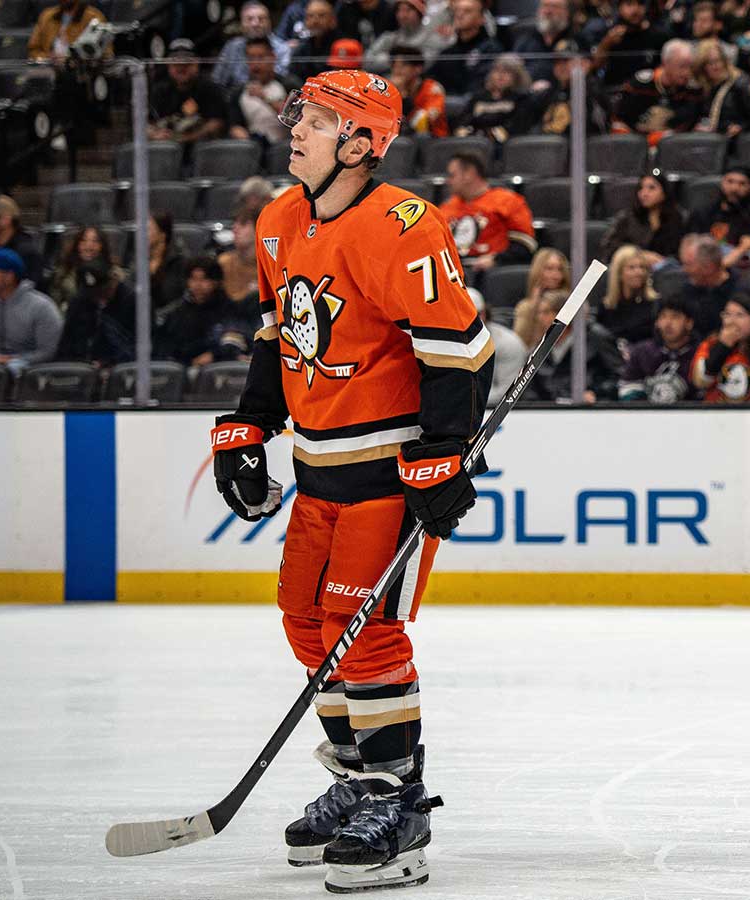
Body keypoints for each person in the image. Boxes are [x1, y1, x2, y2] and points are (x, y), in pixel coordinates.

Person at [213, 69, 489, 892]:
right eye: (301, 113)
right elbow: (278, 334)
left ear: (364, 144)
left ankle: (396, 802)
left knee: (361, 631)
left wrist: (446, 455)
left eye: (321, 120)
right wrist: (247, 425)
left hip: (385, 469)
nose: (296, 127)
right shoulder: (279, 219)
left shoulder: (403, 225)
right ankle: (359, 775)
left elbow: (456, 347)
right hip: (316, 467)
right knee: (305, 619)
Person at [0, 248, 62, 373]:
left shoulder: (42, 307)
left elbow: (48, 352)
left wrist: (14, 360)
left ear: (9, 276)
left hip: (30, 375)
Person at [438, 152, 538, 272]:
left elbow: (526, 245)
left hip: (493, 273)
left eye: (452, 175)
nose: (448, 181)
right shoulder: (446, 208)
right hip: (452, 273)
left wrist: (497, 260)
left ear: (469, 174)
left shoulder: (507, 201)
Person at [154, 256, 252, 365]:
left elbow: (235, 339)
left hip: (217, 367)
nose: (197, 285)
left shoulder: (230, 309)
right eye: (193, 279)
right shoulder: (175, 312)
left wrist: (214, 355)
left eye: (204, 279)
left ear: (216, 282)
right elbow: (165, 345)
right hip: (180, 369)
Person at [527, 294, 625, 401]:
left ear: (563, 314)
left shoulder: (597, 338)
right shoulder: (539, 348)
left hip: (592, 409)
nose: (540, 318)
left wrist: (596, 393)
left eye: (546, 312)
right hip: (548, 410)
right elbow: (531, 386)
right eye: (539, 313)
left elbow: (619, 375)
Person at [612, 38, 704, 143]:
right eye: (682, 66)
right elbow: (617, 120)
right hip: (634, 146)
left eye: (690, 67)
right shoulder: (639, 85)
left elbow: (691, 126)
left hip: (672, 147)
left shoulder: (693, 91)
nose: (687, 73)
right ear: (665, 63)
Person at [619, 296, 703, 402]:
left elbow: (705, 393)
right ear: (657, 322)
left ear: (689, 323)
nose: (668, 323)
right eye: (663, 317)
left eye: (675, 317)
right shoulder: (642, 351)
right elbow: (628, 387)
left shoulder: (701, 353)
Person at [57, 255, 136, 366]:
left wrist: (108, 363)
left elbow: (139, 348)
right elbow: (65, 345)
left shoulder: (133, 302)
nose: (98, 298)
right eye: (93, 294)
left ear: (114, 281)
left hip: (122, 370)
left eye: (103, 291)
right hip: (81, 370)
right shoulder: (80, 302)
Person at [149, 39, 230, 147]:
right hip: (166, 151)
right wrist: (154, 134)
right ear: (168, 64)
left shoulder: (210, 88)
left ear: (197, 63)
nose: (181, 67)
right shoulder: (159, 90)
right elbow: (146, 123)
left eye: (187, 62)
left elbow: (217, 124)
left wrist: (186, 138)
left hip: (202, 151)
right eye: (176, 62)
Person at [526, 38, 609, 138]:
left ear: (585, 64)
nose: (560, 66)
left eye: (566, 61)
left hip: (581, 150)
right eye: (556, 62)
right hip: (547, 148)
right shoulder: (550, 92)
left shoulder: (592, 93)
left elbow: (595, 133)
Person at [599, 172, 687, 263]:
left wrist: (663, 262)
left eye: (651, 188)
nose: (644, 193)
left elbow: (685, 252)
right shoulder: (627, 218)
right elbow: (609, 247)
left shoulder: (679, 218)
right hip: (633, 268)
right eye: (641, 188)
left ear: (664, 192)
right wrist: (640, 254)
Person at [229, 37, 298, 145]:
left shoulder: (289, 85)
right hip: (253, 146)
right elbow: (235, 126)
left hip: (286, 146)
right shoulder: (238, 93)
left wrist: (265, 98)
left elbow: (296, 118)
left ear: (273, 57)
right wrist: (246, 139)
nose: (256, 63)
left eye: (261, 57)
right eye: (251, 58)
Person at [685, 164, 750, 265]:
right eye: (730, 181)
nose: (734, 188)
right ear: (721, 183)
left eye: (742, 184)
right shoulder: (702, 213)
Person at [455, 54, 535, 147]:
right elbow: (462, 122)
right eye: (497, 70)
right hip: (472, 143)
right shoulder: (478, 97)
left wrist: (484, 135)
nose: (500, 76)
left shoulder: (521, 99)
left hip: (503, 147)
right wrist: (468, 135)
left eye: (507, 72)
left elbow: (515, 128)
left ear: (517, 77)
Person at [428, 0, 503, 95]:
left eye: (467, 11)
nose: (459, 15)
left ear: (482, 19)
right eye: (457, 11)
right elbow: (430, 80)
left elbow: (483, 86)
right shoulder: (448, 52)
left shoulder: (491, 50)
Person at [214, 2, 292, 91]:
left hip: (272, 95)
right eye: (249, 19)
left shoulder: (283, 48)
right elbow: (218, 80)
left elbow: (281, 78)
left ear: (269, 22)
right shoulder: (231, 47)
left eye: (261, 19)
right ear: (242, 23)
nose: (255, 24)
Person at [676, 234, 742, 337]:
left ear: (709, 267)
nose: (684, 270)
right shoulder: (687, 289)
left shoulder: (739, 291)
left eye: (688, 265)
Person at [469, 287, 526, 406]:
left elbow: (508, 392)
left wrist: (463, 403)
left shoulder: (509, 343)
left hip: (494, 411)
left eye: (474, 315)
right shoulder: (438, 342)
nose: (469, 321)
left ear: (484, 313)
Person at [593, 0, 670, 88]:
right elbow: (595, 66)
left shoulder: (659, 34)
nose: (635, 9)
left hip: (647, 91)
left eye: (640, 4)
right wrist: (606, 43)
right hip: (616, 91)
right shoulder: (609, 34)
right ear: (619, 8)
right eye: (629, 4)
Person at [47, 224, 120, 314]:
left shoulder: (114, 274)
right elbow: (54, 304)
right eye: (83, 241)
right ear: (77, 244)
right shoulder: (64, 271)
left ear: (102, 246)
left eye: (95, 241)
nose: (88, 246)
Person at [598, 244, 661, 344]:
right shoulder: (606, 307)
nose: (639, 272)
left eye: (642, 267)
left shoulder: (654, 305)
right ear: (619, 273)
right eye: (632, 268)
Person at [510, 0, 583, 86]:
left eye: (555, 7)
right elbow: (513, 69)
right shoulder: (526, 39)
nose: (548, 11)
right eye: (545, 6)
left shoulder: (576, 39)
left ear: (567, 12)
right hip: (527, 93)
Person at [513, 247, 572, 348]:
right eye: (549, 269)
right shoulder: (525, 307)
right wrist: (533, 308)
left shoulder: (574, 304)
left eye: (560, 269)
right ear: (538, 271)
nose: (556, 275)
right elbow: (519, 344)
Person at [387, 46, 450, 138]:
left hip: (433, 139)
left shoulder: (432, 89)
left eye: (403, 65)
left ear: (418, 68)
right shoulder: (389, 90)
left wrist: (403, 95)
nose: (397, 70)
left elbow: (421, 123)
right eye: (394, 65)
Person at [219, 197, 268, 306]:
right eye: (234, 223)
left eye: (243, 224)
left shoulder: (270, 265)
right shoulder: (224, 263)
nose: (235, 229)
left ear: (258, 229)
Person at [27, 0, 109, 63]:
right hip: (48, 71)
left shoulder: (94, 17)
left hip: (81, 75)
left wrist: (69, 60)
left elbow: (106, 53)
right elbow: (33, 49)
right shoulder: (46, 16)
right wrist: (47, 58)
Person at [289, 1, 342, 81]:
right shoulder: (301, 49)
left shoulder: (341, 47)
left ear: (333, 20)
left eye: (321, 15)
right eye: (310, 16)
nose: (315, 21)